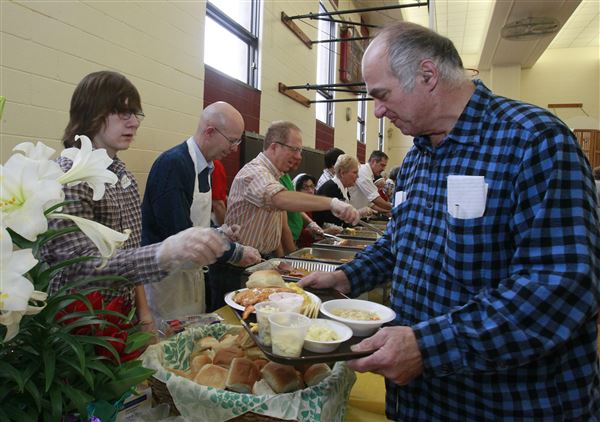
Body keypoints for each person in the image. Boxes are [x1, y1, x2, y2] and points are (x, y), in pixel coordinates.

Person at [299, 22, 600, 420]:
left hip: (505, 402)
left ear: (427, 75)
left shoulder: (532, 141)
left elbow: (561, 284)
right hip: (423, 399)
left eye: (382, 95)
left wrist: (429, 346)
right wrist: (347, 277)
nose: (378, 111)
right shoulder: (417, 159)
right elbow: (399, 243)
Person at [42, 71, 230, 331]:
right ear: (91, 113)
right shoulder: (67, 176)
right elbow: (81, 269)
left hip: (122, 318)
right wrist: (165, 252)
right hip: (79, 326)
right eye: (123, 113)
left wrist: (144, 316)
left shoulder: (123, 177)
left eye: (136, 114)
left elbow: (130, 255)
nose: (134, 123)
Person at [215, 121, 360, 307]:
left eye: (300, 151)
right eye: (295, 149)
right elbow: (280, 200)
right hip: (234, 268)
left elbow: (281, 213)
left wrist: (304, 229)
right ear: (274, 147)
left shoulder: (274, 175)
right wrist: (332, 203)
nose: (299, 156)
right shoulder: (255, 172)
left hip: (259, 263)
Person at [141, 101, 261, 320]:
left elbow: (197, 223)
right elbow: (178, 233)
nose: (234, 148)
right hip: (167, 281)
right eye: (232, 141)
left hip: (191, 274)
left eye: (238, 141)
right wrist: (233, 251)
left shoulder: (206, 167)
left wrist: (219, 232)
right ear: (209, 131)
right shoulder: (174, 165)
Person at [313, 154, 362, 228]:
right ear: (342, 173)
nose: (357, 176)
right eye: (355, 172)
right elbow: (332, 222)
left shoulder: (344, 188)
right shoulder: (331, 189)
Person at [211, 159, 228, 226]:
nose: (234, 149)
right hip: (212, 217)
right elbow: (218, 204)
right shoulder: (215, 165)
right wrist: (225, 228)